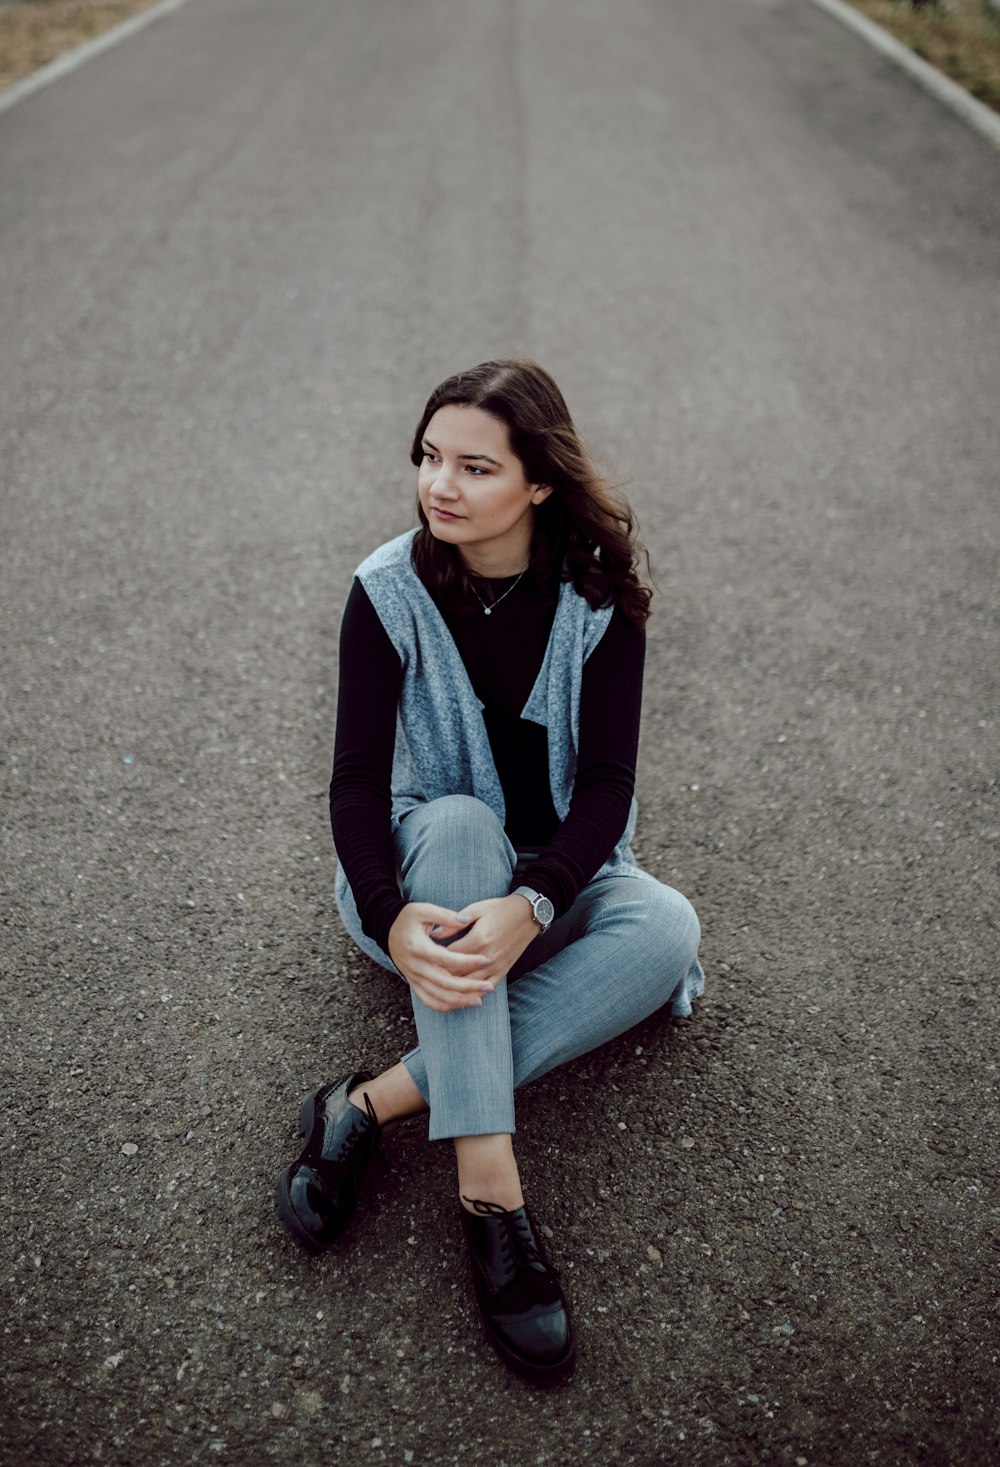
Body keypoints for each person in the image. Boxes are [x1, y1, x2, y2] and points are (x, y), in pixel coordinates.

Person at [275, 360, 705, 1384]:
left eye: (474, 466)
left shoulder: (600, 600)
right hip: (421, 885)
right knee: (462, 817)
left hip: (548, 884)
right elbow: (351, 785)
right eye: (429, 458)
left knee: (668, 928)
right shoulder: (385, 589)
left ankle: (367, 1104)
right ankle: (491, 1193)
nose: (439, 486)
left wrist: (536, 902)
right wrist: (386, 918)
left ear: (539, 481)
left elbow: (605, 790)